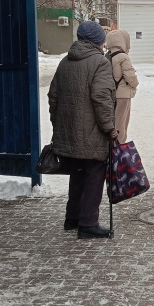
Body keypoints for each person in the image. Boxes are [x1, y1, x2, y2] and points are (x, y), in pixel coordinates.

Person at [49, 21, 117, 238]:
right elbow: (101, 98)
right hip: (92, 132)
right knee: (95, 175)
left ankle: (73, 217)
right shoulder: (100, 63)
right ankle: (88, 223)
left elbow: (54, 97)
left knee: (77, 173)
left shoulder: (65, 62)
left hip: (69, 130)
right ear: (98, 41)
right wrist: (110, 129)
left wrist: (58, 123)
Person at [105, 29, 139, 144]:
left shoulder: (107, 56)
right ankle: (119, 147)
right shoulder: (123, 57)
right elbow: (131, 77)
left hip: (111, 94)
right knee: (122, 123)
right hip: (123, 95)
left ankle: (112, 145)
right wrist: (135, 84)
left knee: (113, 122)